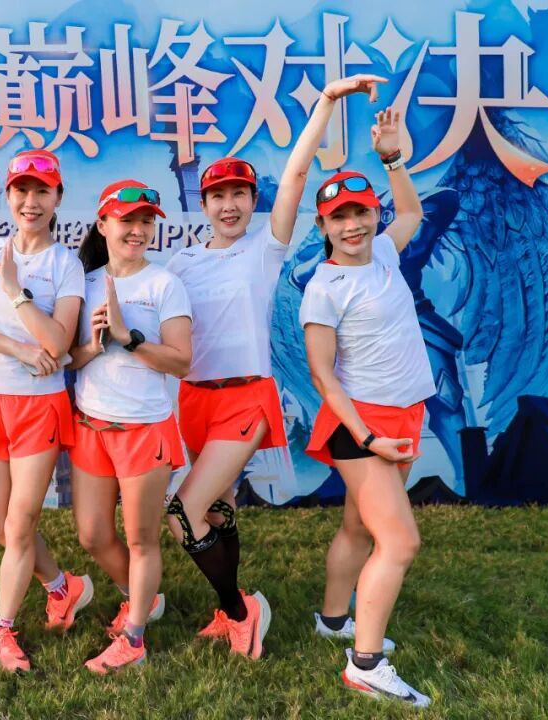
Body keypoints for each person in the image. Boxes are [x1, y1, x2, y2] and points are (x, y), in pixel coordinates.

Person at [164, 74, 388, 659]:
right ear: (202, 205)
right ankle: (227, 609)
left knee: (183, 514)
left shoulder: (263, 249)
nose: (229, 205)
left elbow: (295, 176)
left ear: (251, 201)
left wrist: (325, 103)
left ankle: (244, 611)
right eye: (218, 196)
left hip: (245, 397)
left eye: (239, 194)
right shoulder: (180, 262)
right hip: (194, 399)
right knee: (218, 511)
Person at [300, 107, 432, 707]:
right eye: (339, 217)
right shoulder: (324, 287)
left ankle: (334, 621)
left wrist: (393, 159)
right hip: (361, 425)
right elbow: (323, 375)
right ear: (324, 226)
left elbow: (413, 214)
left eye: (360, 212)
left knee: (359, 526)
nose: (352, 225)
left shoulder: (384, 253)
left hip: (403, 414)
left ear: (373, 214)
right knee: (399, 542)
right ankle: (366, 664)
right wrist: (367, 436)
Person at [0, 149, 93, 672]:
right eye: (21, 190)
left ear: (58, 198)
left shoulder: (65, 264)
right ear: (8, 195)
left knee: (20, 523)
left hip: (39, 405)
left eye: (41, 192)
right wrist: (17, 349)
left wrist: (14, 292)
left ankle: (3, 628)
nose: (30, 202)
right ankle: (61, 586)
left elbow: (58, 342)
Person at [68, 180, 192, 674]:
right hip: (91, 426)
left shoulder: (164, 284)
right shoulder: (82, 282)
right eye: (127, 221)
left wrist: (129, 337)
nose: (137, 230)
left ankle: (134, 638)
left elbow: (181, 361)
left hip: (144, 430)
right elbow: (69, 358)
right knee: (93, 534)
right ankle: (143, 597)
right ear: (103, 225)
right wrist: (95, 345)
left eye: (145, 221)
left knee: (141, 540)